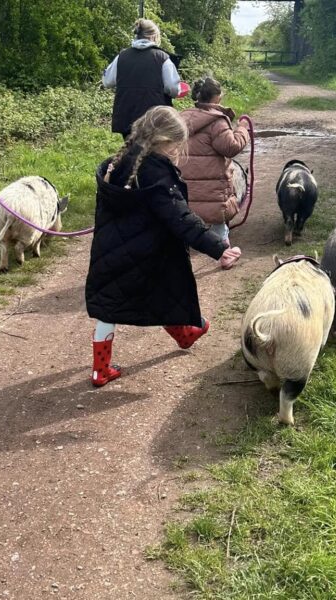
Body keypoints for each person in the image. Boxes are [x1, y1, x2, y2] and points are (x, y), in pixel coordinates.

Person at [85, 106, 242, 387]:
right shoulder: (157, 174)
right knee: (164, 289)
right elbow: (181, 219)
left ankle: (100, 369)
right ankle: (186, 331)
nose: (177, 150)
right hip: (148, 252)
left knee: (109, 309)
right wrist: (219, 248)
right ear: (166, 142)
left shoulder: (121, 161)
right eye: (176, 145)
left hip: (111, 251)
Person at [177, 77, 250, 250]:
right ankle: (225, 253)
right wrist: (243, 129)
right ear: (217, 97)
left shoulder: (181, 118)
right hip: (213, 191)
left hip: (185, 187)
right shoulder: (216, 121)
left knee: (189, 218)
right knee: (218, 225)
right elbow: (231, 147)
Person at [102, 18, 183, 139]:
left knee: (131, 152)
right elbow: (173, 89)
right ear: (154, 36)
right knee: (152, 153)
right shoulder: (163, 58)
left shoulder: (122, 56)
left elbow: (107, 81)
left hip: (127, 116)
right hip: (154, 117)